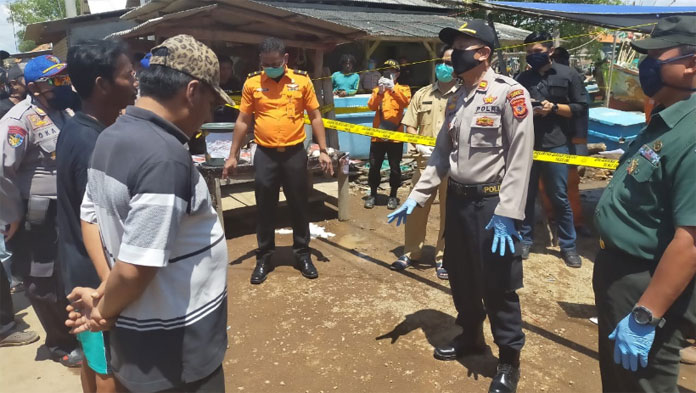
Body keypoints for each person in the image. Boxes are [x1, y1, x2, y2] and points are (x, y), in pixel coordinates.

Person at [65, 35, 231, 393]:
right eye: (211, 100)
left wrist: (103, 292)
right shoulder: (164, 157)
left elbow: (92, 218)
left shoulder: (112, 136)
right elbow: (137, 266)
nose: (209, 113)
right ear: (192, 91)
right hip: (177, 351)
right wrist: (102, 312)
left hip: (142, 337)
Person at [388, 20, 534, 393]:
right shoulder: (456, 97)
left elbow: (520, 160)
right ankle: (471, 335)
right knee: (462, 277)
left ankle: (508, 360)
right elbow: (441, 154)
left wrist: (508, 212)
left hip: (492, 206)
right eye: (450, 47)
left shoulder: (509, 94)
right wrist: (418, 196)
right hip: (459, 202)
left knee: (499, 284)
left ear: (483, 53)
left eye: (460, 46)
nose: (451, 54)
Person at [593, 16, 696, 393]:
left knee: (643, 385)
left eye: (655, 55)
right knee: (620, 382)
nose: (644, 64)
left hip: (649, 283)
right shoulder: (666, 120)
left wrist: (645, 314)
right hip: (620, 273)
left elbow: (691, 239)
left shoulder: (693, 131)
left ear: (693, 63)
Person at [56, 39, 138, 393]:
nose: (135, 82)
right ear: (103, 85)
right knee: (108, 366)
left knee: (92, 356)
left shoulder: (76, 129)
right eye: (128, 75)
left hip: (77, 266)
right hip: (96, 275)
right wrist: (111, 287)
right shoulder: (94, 144)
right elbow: (100, 222)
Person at [221, 37, 333, 285]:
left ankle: (302, 254)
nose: (270, 67)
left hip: (294, 153)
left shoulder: (302, 81)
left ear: (285, 59)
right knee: (265, 208)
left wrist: (323, 149)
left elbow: (315, 115)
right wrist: (232, 155)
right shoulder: (252, 83)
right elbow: (242, 121)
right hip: (265, 155)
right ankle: (265, 257)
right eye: (265, 63)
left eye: (274, 63)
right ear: (260, 62)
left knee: (299, 205)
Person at [0, 54, 82, 366]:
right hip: (35, 213)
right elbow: (1, 173)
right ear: (34, 87)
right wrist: (12, 215)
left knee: (68, 273)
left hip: (67, 208)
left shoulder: (67, 110)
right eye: (56, 80)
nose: (64, 85)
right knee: (42, 279)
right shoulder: (17, 122)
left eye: (64, 78)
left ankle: (77, 331)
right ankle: (60, 343)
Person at [516, 31, 587, 268]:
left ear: (550, 50)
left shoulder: (569, 75)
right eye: (529, 53)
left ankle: (568, 246)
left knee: (559, 196)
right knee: (525, 196)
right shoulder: (522, 78)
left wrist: (554, 108)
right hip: (527, 144)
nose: (532, 56)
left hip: (557, 144)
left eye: (537, 52)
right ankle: (525, 239)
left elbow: (580, 107)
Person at [390, 45, 457, 280]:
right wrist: (415, 142)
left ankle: (443, 257)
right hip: (424, 163)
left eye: (450, 63)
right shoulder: (423, 93)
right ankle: (410, 252)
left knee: (450, 212)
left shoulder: (465, 95)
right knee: (416, 207)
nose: (444, 67)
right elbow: (410, 122)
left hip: (453, 165)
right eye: (442, 62)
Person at [539, 46, 591, 238]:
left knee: (569, 185)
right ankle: (553, 216)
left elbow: (581, 111)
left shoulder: (572, 79)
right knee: (546, 184)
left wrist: (580, 142)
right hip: (546, 141)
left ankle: (575, 223)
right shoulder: (538, 81)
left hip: (570, 139)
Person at [364, 59, 411, 210]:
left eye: (392, 72)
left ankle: (393, 195)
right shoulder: (377, 90)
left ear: (397, 74)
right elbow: (371, 106)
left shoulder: (403, 88)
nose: (388, 74)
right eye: (386, 71)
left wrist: (392, 89)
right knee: (374, 166)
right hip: (378, 136)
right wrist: (380, 92)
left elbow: (406, 103)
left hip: (395, 136)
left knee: (395, 167)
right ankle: (372, 194)